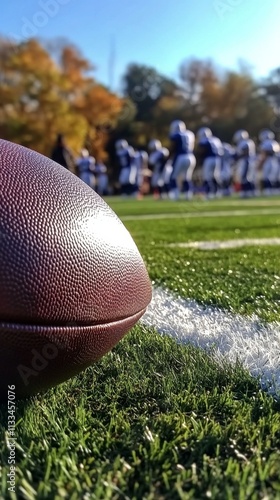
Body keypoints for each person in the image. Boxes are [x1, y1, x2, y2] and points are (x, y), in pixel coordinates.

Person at [168, 120, 196, 200]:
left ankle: (175, 195)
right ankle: (188, 195)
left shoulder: (176, 135)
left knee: (173, 176)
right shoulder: (190, 134)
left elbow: (173, 146)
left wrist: (169, 156)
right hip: (191, 156)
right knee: (187, 177)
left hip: (180, 156)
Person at [196, 127, 223, 198]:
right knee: (215, 176)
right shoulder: (216, 140)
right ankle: (218, 191)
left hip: (208, 159)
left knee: (207, 177)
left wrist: (199, 158)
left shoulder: (204, 140)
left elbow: (202, 150)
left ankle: (209, 192)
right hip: (217, 159)